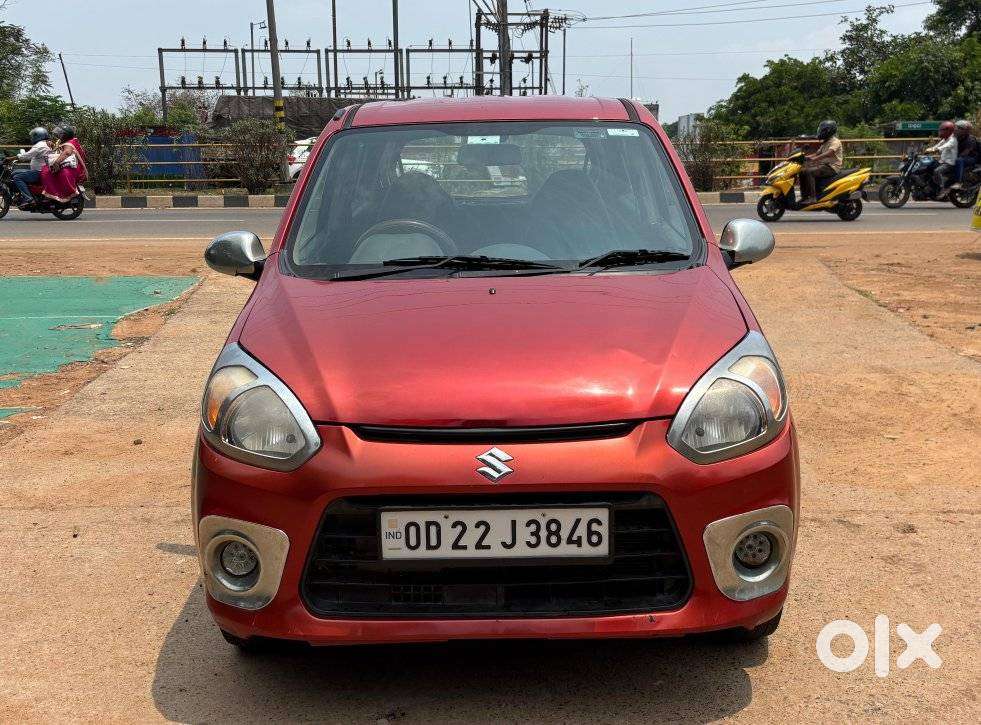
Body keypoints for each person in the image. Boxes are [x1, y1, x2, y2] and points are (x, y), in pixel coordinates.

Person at [40, 125, 88, 203]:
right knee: (46, 169)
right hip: (74, 166)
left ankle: (55, 194)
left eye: (60, 134)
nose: (59, 135)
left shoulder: (69, 143)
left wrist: (56, 162)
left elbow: (67, 152)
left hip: (73, 168)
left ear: (65, 135)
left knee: (46, 171)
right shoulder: (70, 141)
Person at [799, 119, 842, 205]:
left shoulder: (835, 142)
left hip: (832, 167)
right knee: (802, 171)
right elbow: (817, 153)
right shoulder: (825, 142)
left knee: (809, 172)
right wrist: (804, 157)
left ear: (828, 131)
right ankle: (804, 197)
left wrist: (815, 159)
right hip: (825, 166)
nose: (821, 132)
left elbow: (829, 153)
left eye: (823, 130)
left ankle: (813, 198)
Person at [12, 127, 51, 209]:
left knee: (17, 177)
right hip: (40, 171)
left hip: (38, 172)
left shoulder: (39, 146)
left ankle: (29, 198)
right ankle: (21, 194)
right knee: (15, 172)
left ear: (38, 136)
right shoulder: (43, 144)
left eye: (33, 136)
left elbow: (25, 156)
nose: (32, 138)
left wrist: (11, 158)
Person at [925, 120, 958, 195]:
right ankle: (931, 186)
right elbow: (937, 145)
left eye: (942, 130)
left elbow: (943, 147)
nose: (940, 132)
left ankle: (943, 188)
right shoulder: (945, 139)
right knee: (929, 167)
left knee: (937, 171)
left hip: (949, 164)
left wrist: (934, 150)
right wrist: (929, 149)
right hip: (942, 162)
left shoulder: (953, 140)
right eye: (940, 130)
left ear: (948, 130)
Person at [952, 119, 978, 187]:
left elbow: (965, 153)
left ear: (964, 130)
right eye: (956, 128)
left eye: (958, 128)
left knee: (959, 160)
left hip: (971, 158)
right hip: (959, 157)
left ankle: (958, 182)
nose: (956, 130)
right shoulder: (955, 138)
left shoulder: (970, 139)